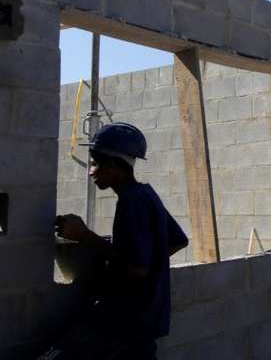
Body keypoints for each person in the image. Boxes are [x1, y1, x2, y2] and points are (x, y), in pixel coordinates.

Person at [40, 123, 188, 360]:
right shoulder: (147, 194)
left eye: (95, 163)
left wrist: (84, 235)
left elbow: (138, 268)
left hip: (125, 321)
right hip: (145, 320)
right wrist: (143, 256)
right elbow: (179, 240)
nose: (91, 171)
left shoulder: (130, 202)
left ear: (114, 165)